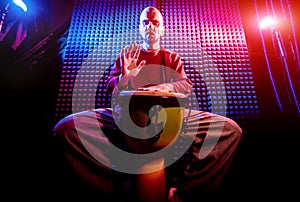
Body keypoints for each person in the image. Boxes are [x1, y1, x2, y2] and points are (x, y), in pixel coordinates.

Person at [53, 6, 242, 202]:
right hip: (127, 115)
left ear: (162, 29)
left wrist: (165, 88)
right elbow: (111, 86)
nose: (150, 26)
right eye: (146, 22)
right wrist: (124, 77)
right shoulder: (128, 55)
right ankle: (115, 189)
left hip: (169, 116)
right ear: (140, 28)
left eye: (156, 23)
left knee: (229, 130)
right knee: (67, 129)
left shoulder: (171, 57)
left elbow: (185, 85)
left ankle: (183, 194)